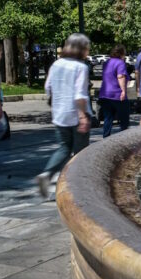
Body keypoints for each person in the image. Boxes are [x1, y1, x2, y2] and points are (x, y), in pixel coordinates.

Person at [36, 33, 92, 197]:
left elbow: (48, 87)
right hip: (76, 115)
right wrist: (83, 116)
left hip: (59, 113)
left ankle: (46, 174)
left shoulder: (56, 65)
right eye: (87, 48)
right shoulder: (80, 67)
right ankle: (78, 187)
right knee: (81, 153)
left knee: (64, 148)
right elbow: (80, 94)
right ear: (81, 49)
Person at [99, 44, 130, 137]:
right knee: (124, 119)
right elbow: (120, 77)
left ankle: (105, 139)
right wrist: (123, 91)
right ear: (122, 53)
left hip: (104, 94)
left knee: (108, 118)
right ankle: (124, 139)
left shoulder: (107, 62)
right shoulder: (120, 63)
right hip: (116, 94)